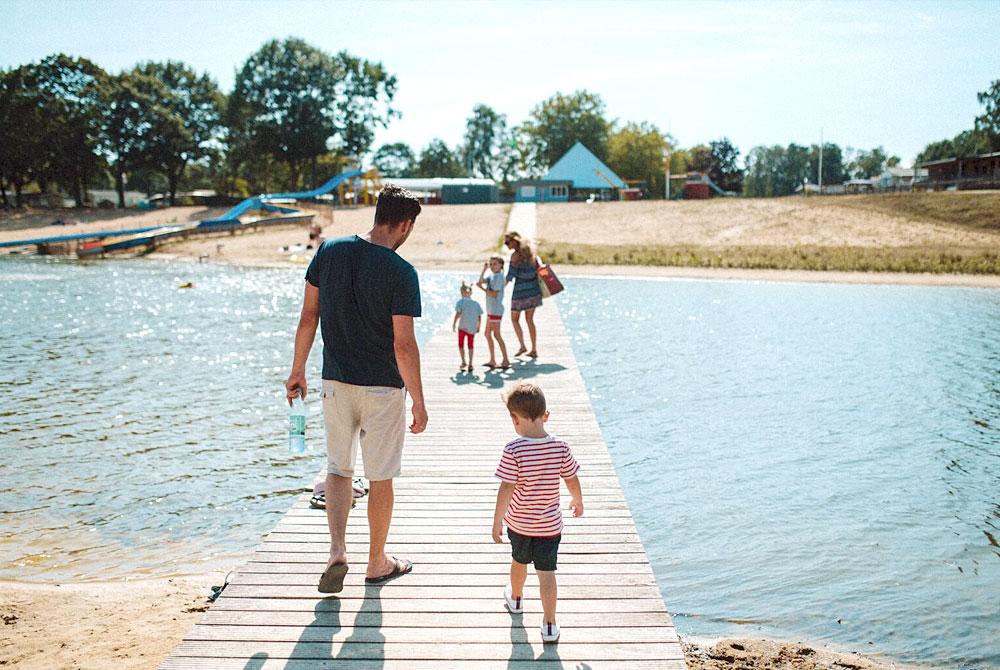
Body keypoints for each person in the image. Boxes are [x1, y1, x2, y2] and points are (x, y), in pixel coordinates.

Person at [285, 184, 427, 593]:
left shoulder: (329, 251)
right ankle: (377, 561)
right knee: (380, 477)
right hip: (383, 388)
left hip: (334, 381)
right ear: (404, 223)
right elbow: (404, 344)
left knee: (337, 469)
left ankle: (336, 551)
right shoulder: (401, 272)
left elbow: (308, 317)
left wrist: (297, 370)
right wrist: (418, 399)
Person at [492, 381, 583, 643]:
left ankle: (517, 599)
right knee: (547, 573)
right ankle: (550, 623)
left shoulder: (513, 450)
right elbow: (571, 478)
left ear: (514, 419)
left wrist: (497, 520)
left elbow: (506, 488)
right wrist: (577, 500)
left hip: (519, 524)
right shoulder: (560, 447)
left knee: (518, 562)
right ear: (546, 415)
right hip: (549, 526)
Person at [504, 232, 542, 358]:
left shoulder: (515, 256)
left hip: (520, 291)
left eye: (507, 242)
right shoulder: (531, 253)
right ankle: (534, 348)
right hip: (533, 290)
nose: (506, 245)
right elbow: (538, 269)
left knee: (514, 319)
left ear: (514, 241)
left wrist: (498, 288)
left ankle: (522, 345)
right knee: (530, 320)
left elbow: (510, 276)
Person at [476, 256, 510, 370]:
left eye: (494, 264)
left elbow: (494, 294)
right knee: (487, 333)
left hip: (496, 310)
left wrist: (483, 289)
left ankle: (505, 360)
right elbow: (480, 281)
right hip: (490, 310)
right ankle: (492, 359)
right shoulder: (492, 275)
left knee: (496, 334)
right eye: (491, 264)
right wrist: (484, 270)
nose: (492, 266)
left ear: (501, 265)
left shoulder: (499, 277)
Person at [452, 280, 483, 372]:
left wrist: (454, 323)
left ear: (461, 292)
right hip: (472, 328)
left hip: (462, 327)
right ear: (471, 292)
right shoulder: (476, 304)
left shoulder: (460, 302)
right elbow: (479, 316)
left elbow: (458, 314)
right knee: (470, 345)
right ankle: (470, 363)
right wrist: (478, 326)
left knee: (461, 345)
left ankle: (463, 361)